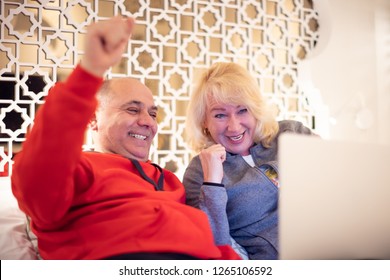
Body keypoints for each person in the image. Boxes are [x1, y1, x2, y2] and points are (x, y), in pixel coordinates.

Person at [11, 17, 240, 260]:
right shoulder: (77, 169)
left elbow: (209, 244)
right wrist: (88, 73)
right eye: (132, 110)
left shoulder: (171, 181)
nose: (148, 122)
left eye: (153, 113)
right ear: (92, 119)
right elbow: (41, 170)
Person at [183, 62, 315, 260]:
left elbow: (339, 176)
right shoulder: (199, 172)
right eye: (220, 115)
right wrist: (212, 183)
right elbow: (216, 246)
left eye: (242, 110)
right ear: (204, 121)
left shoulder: (291, 134)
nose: (234, 127)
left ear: (255, 109)